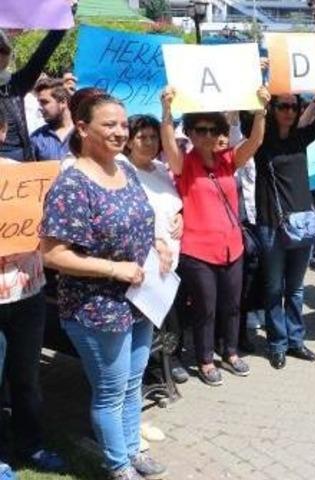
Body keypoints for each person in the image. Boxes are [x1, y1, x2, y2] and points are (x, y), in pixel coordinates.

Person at [40, 92, 168, 480]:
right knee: (111, 390)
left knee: (133, 383)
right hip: (96, 306)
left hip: (141, 299)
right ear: (82, 128)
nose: (119, 132)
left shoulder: (125, 170)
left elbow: (138, 220)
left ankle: (131, 450)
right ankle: (117, 465)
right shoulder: (72, 184)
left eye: (123, 125)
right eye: (108, 125)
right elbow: (53, 254)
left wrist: (158, 242)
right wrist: (114, 270)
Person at [160, 86, 270, 386]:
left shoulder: (228, 160)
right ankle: (205, 359)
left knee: (233, 304)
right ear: (191, 133)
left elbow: (256, 141)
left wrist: (260, 109)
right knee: (205, 308)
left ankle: (231, 352)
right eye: (200, 130)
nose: (208, 135)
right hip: (197, 251)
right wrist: (167, 112)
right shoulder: (184, 163)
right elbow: (169, 144)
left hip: (232, 247)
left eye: (213, 129)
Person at [253, 92, 315, 369]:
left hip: (302, 224)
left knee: (295, 289)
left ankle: (295, 341)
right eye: (283, 106)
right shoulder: (262, 140)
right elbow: (248, 119)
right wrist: (260, 90)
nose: (289, 111)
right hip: (272, 224)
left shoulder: (300, 137)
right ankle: (276, 345)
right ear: (272, 108)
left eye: (294, 106)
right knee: (273, 288)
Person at [0, 109, 67, 478]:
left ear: (3, 130)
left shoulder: (26, 176)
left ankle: (31, 445)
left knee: (27, 379)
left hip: (28, 293)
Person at [121, 114, 188, 383]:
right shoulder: (123, 171)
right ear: (129, 142)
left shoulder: (160, 168)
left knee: (170, 311)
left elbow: (174, 202)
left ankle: (170, 360)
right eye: (142, 137)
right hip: (147, 256)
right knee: (150, 314)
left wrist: (181, 215)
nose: (149, 142)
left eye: (153, 137)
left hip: (173, 253)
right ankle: (154, 367)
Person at [0, 29, 67, 160]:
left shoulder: (17, 83)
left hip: (24, 166)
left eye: (2, 50)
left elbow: (43, 53)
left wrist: (62, 21)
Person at [30, 78, 73, 161]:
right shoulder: (36, 139)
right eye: (39, 103)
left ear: (63, 102)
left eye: (44, 102)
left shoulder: (84, 134)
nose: (40, 108)